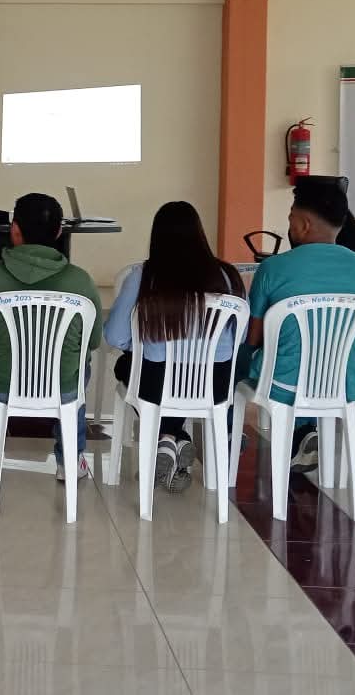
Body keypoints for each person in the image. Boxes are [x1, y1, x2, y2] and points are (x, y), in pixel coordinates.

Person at [243, 179, 355, 471]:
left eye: (291, 218)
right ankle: (307, 431)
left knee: (244, 361)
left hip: (284, 383)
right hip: (343, 381)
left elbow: (254, 338)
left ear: (304, 224)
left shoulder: (273, 268)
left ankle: (233, 435)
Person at [103, 201, 244, 492]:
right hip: (215, 385)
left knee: (126, 366)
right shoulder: (227, 276)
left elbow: (114, 336)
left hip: (157, 384)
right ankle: (175, 438)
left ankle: (166, 437)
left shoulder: (143, 277)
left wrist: (138, 345)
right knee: (177, 377)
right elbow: (238, 338)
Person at [0, 193, 102, 479]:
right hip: (61, 387)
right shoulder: (82, 282)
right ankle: (70, 460)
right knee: (80, 366)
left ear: (15, 230)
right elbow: (93, 342)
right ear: (59, 232)